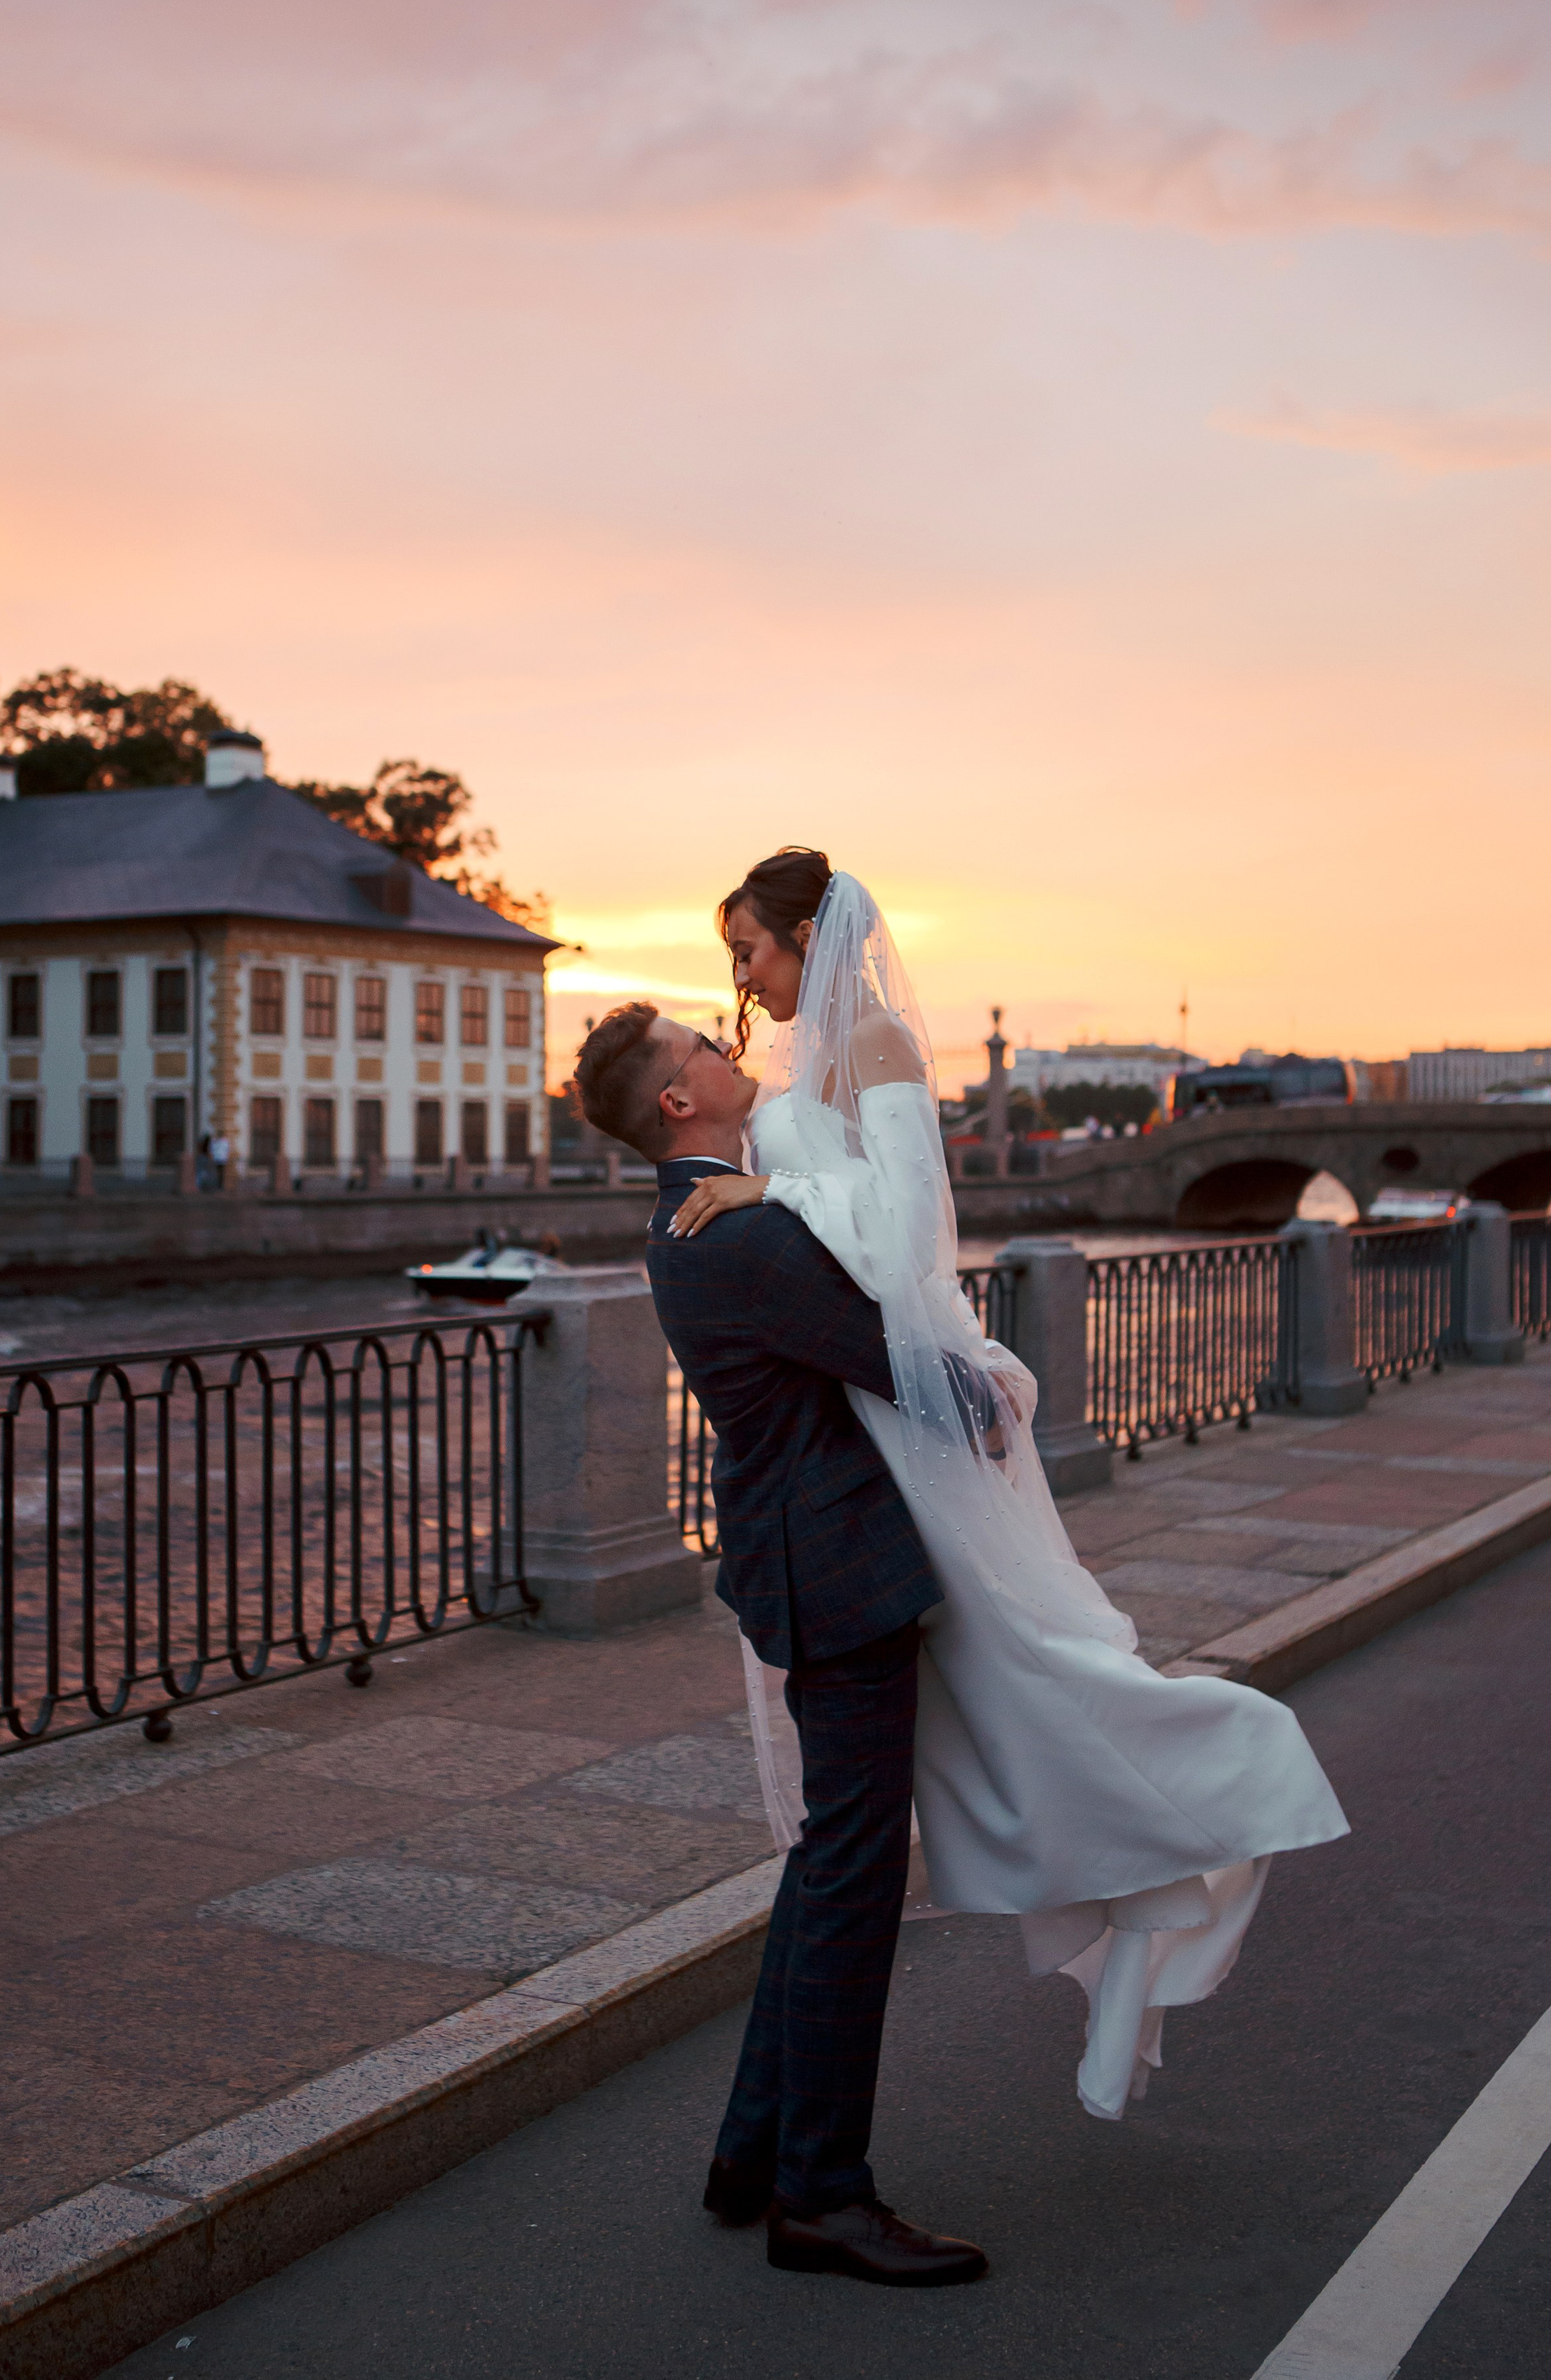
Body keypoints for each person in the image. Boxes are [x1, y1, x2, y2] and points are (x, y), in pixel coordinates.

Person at [667, 849, 1348, 2123]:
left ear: (811, 935)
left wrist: (774, 1188)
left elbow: (905, 1236)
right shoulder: (794, 1065)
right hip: (866, 1421)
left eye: (751, 949)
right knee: (979, 1708)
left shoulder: (873, 1040)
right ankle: (1121, 1907)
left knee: (1023, 1666)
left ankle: (1226, 1778)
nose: (742, 980)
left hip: (909, 1412)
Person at [575, 1005, 989, 2290]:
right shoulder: (742, 1234)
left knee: (828, 1863)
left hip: (802, 1556)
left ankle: (754, 2148)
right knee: (856, 1882)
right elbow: (902, 1362)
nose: (727, 1043)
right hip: (838, 1570)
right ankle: (823, 2195)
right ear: (678, 1102)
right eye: (702, 1043)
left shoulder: (699, 1217)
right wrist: (992, 1388)